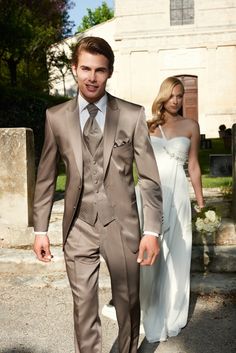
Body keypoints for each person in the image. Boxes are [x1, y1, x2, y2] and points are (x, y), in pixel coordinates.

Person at [33, 36, 163, 353]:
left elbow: (149, 179)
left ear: (109, 73)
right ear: (75, 69)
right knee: (83, 307)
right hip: (77, 225)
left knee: (128, 301)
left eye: (100, 70)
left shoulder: (132, 116)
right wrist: (40, 229)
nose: (92, 77)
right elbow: (46, 176)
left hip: (122, 225)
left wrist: (152, 231)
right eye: (86, 69)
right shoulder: (56, 117)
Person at [140, 76, 204, 342]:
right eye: (173, 95)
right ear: (163, 96)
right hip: (151, 194)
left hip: (177, 194)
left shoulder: (191, 126)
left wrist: (200, 200)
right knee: (151, 257)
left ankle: (172, 312)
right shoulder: (148, 126)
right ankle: (149, 310)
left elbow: (194, 166)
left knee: (177, 253)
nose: (177, 100)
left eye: (181, 96)